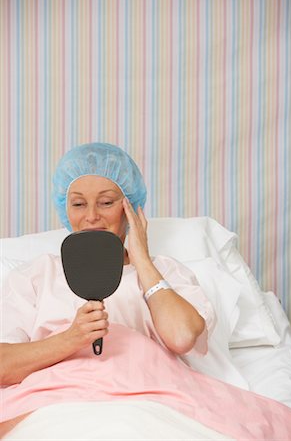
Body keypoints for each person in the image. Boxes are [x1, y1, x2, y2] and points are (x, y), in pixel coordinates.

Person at [0, 142, 215, 388]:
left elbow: (182, 336)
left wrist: (141, 259)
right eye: (79, 204)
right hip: (57, 405)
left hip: (147, 400)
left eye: (106, 202)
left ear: (130, 208)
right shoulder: (37, 276)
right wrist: (70, 340)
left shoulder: (165, 273)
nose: (91, 216)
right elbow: (2, 368)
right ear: (65, 209)